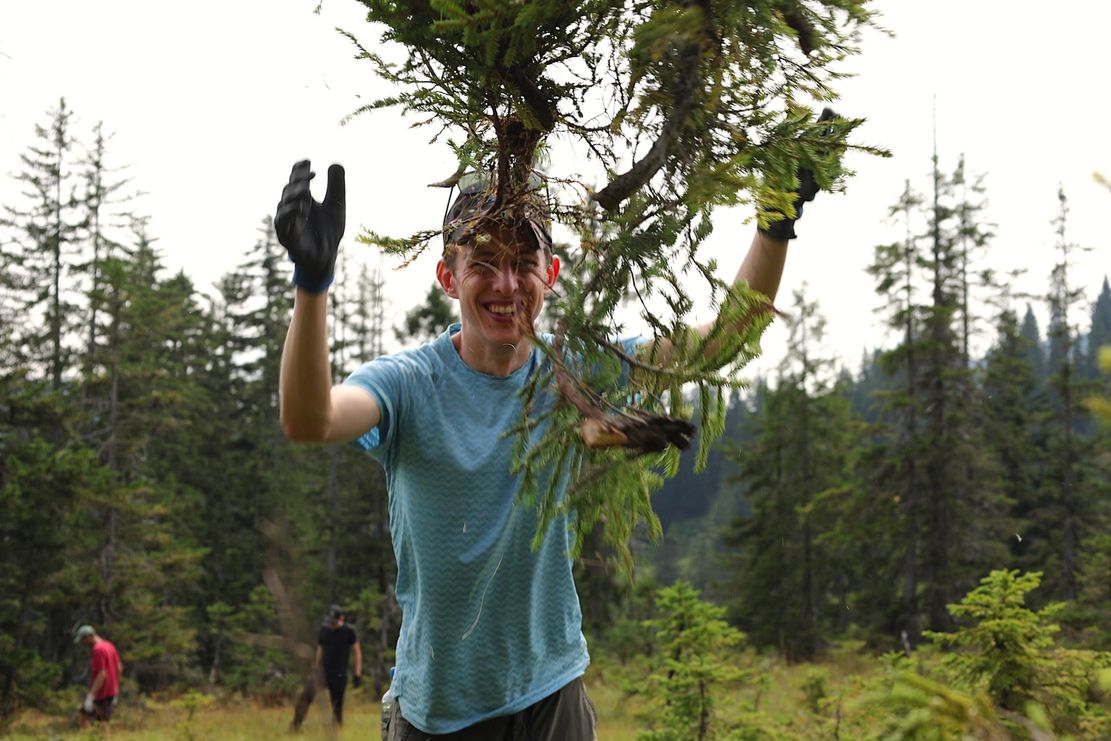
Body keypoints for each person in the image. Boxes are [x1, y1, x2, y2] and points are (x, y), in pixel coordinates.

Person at [275, 119, 832, 738]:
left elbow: (724, 340)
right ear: (447, 276)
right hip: (437, 712)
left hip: (552, 699)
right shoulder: (407, 384)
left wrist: (775, 222)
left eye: (524, 263)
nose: (506, 284)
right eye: (483, 261)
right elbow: (309, 418)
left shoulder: (575, 369)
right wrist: (312, 284)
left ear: (552, 273)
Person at [290, 605, 363, 729]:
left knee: (337, 708)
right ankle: (295, 726)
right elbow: (320, 650)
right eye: (330, 622)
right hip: (322, 673)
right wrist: (315, 668)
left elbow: (357, 652)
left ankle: (337, 730)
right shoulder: (324, 630)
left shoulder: (349, 632)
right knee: (305, 697)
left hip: (339, 675)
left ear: (342, 619)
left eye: (334, 622)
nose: (332, 625)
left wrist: (357, 674)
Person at [74, 624, 122, 727]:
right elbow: (119, 668)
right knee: (103, 721)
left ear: (89, 636)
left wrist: (91, 696)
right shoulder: (109, 645)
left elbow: (101, 674)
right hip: (111, 692)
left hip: (102, 693)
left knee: (85, 717)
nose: (83, 643)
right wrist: (116, 689)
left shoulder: (97, 650)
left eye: (83, 640)